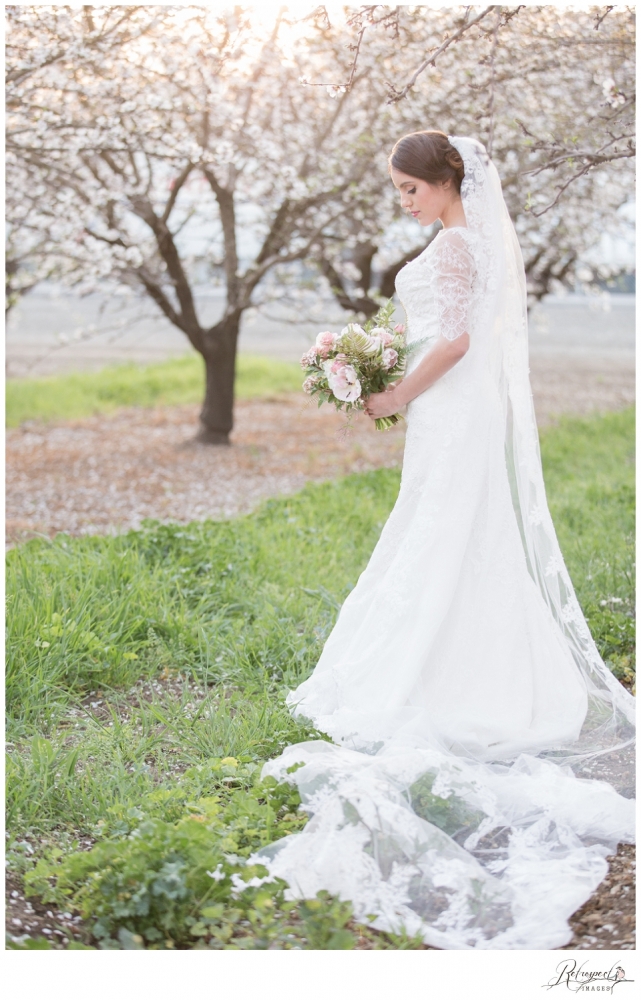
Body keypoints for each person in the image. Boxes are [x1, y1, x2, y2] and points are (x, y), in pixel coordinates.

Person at [256, 132, 635, 950]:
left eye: (407, 188)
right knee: (443, 531)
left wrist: (390, 389)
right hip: (445, 411)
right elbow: (432, 329)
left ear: (445, 179)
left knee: (446, 532)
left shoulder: (459, 246)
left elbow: (456, 341)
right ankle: (458, 662)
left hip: (451, 405)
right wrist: (367, 360)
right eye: (395, 190)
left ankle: (450, 678)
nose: (402, 200)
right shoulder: (451, 242)